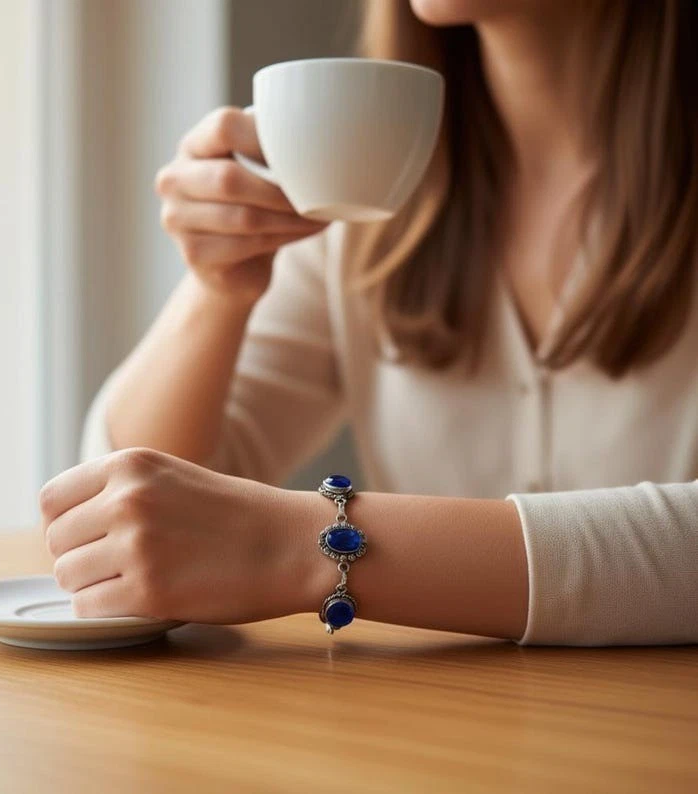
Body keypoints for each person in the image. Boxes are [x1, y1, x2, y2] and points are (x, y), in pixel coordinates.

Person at [38, 0, 698, 645]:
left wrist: (303, 549)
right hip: (444, 733)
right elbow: (122, 522)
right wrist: (216, 293)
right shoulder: (367, 203)